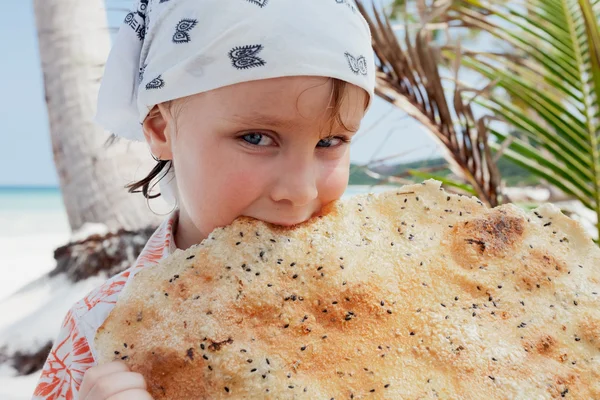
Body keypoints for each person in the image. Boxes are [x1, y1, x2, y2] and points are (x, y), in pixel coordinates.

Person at [33, 0, 375, 398]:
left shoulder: (380, 290)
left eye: (330, 142)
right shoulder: (97, 329)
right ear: (161, 129)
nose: (301, 191)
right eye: (256, 138)